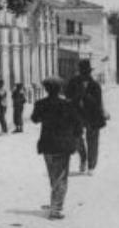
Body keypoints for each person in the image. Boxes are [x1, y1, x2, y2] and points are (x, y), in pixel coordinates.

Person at [31, 77, 83, 220]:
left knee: (54, 176)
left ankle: (55, 203)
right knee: (61, 177)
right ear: (60, 89)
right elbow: (78, 125)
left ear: (46, 89)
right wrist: (75, 137)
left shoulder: (41, 104)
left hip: (47, 145)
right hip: (63, 145)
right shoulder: (68, 105)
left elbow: (34, 119)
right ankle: (56, 209)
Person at [66, 60, 107, 175]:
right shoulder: (73, 82)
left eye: (87, 72)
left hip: (92, 115)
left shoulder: (95, 85)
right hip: (77, 115)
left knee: (93, 141)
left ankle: (91, 166)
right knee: (76, 138)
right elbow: (67, 96)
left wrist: (86, 96)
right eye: (83, 72)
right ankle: (83, 158)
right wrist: (76, 97)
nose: (85, 74)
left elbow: (98, 102)